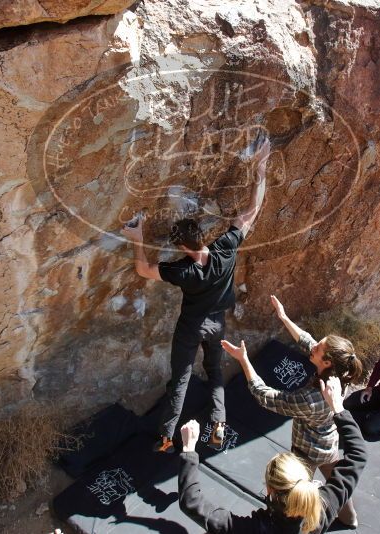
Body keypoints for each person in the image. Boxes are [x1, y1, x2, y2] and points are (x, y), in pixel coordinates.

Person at [121, 138, 270, 453]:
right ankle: (218, 423)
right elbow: (251, 210)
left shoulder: (182, 271)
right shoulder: (225, 248)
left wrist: (137, 237)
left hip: (191, 327)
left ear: (180, 247)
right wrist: (261, 168)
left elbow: (144, 270)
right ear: (202, 236)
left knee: (182, 379)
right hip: (217, 323)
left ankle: (165, 438)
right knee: (215, 371)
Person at [225, 294, 363, 526]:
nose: (314, 344)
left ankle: (297, 528)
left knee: (294, 498)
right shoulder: (341, 373)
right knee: (338, 486)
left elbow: (265, 396)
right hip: (329, 444)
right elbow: (308, 342)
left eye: (320, 346)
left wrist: (244, 360)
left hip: (305, 452)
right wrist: (283, 316)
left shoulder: (309, 399)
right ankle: (350, 519)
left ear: (327, 361)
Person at [177, 376, 367, 533]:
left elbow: (191, 502)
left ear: (270, 490)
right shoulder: (322, 512)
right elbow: (357, 455)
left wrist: (189, 449)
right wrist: (338, 409)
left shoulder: (253, 529)